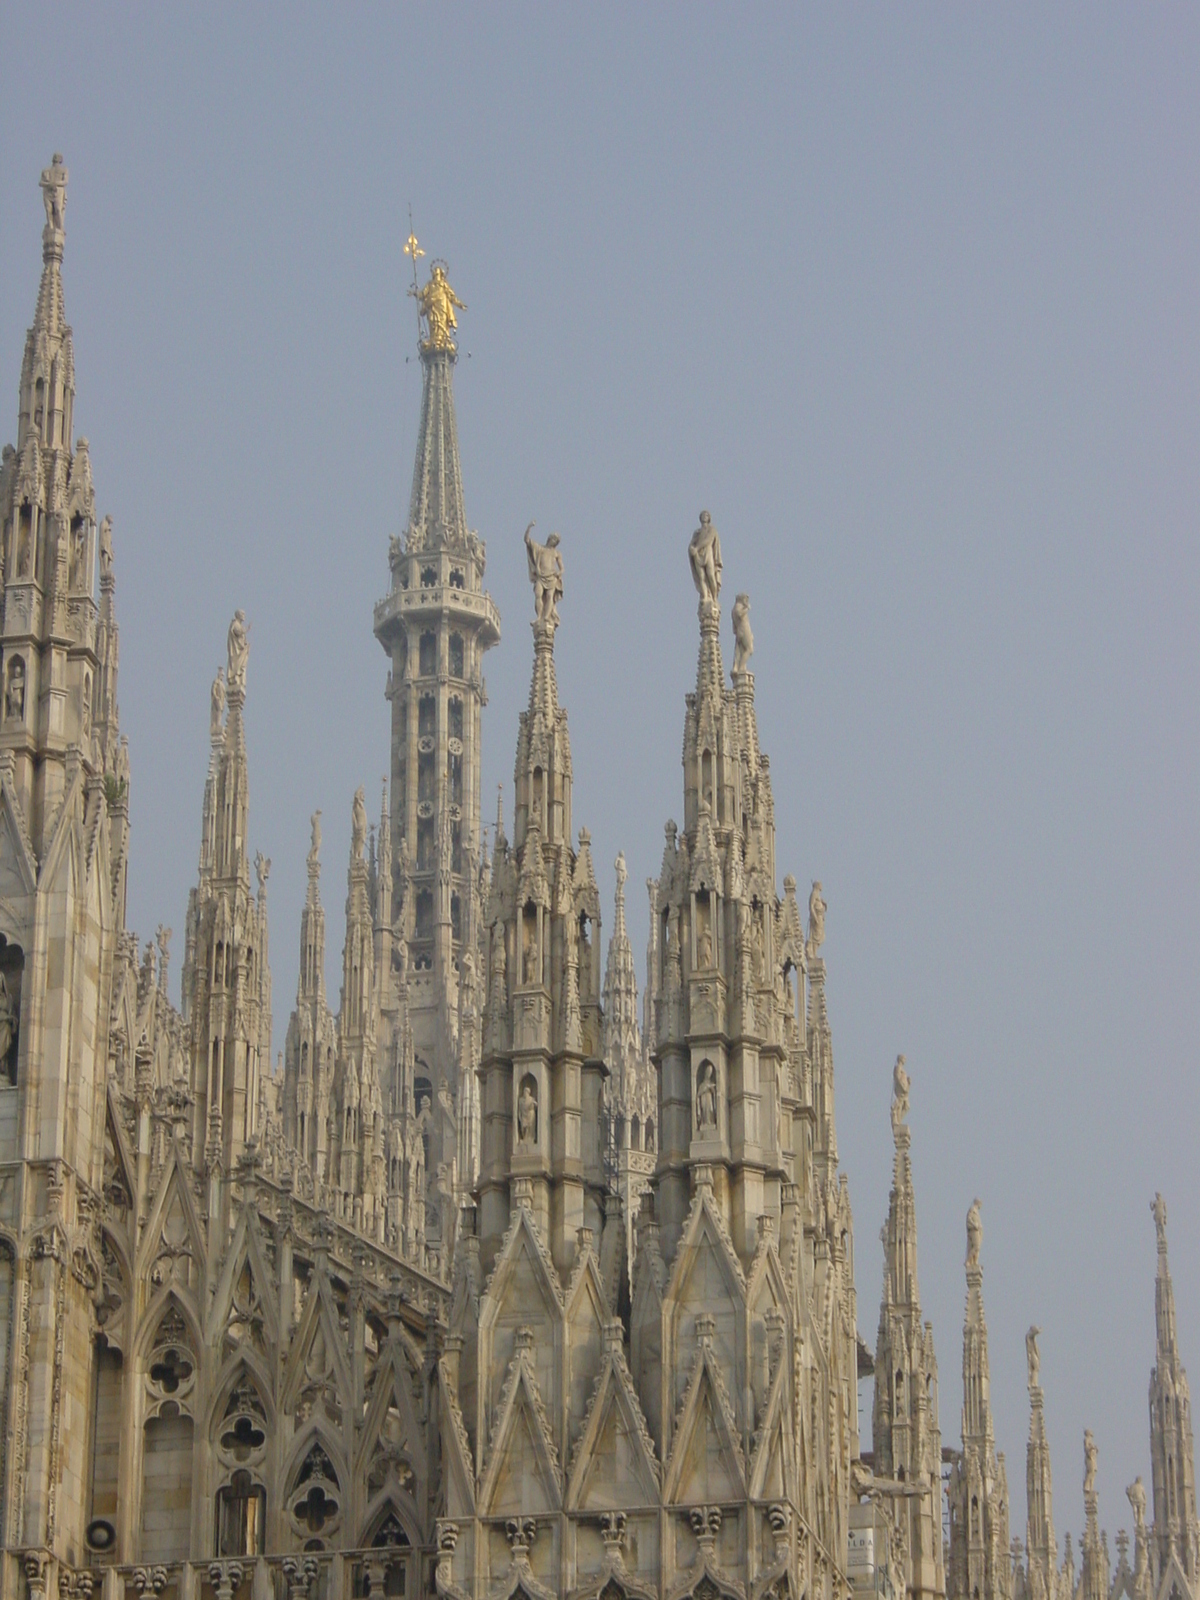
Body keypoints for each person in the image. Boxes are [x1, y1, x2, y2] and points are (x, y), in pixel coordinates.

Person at [689, 510, 723, 602]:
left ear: (709, 518)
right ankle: (704, 595)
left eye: (706, 515)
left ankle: (714, 597)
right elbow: (692, 543)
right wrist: (692, 548)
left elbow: (708, 540)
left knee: (711, 575)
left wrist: (696, 548)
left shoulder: (712, 529)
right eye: (703, 515)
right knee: (701, 577)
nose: (704, 516)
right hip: (697, 556)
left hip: (708, 553)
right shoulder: (697, 532)